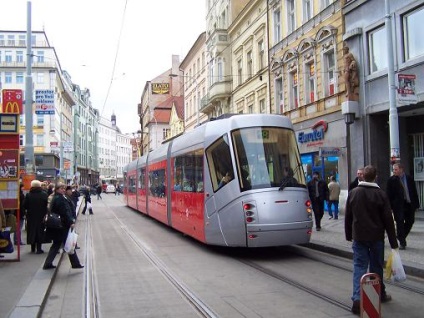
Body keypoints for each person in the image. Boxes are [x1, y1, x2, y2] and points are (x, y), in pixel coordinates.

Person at [345, 165, 398, 315]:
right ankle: (378, 295)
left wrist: (349, 234)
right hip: (376, 237)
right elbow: (388, 219)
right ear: (375, 177)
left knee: (359, 267)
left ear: (362, 176)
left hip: (359, 237)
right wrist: (394, 242)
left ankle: (357, 299)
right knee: (376, 268)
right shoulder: (381, 194)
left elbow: (348, 217)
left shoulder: (354, 193)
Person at [43, 183, 84, 270]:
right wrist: (71, 221)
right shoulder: (59, 199)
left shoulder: (58, 197)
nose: (63, 190)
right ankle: (75, 263)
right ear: (57, 189)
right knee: (69, 244)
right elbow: (65, 211)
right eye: (61, 188)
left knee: (58, 244)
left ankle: (48, 263)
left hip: (59, 225)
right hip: (62, 225)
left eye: (64, 188)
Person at [386, 163, 419, 250]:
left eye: (396, 169)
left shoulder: (409, 178)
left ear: (401, 169)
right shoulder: (391, 180)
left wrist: (416, 204)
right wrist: (390, 207)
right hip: (398, 205)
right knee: (399, 222)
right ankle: (402, 242)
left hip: (409, 204)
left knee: (410, 221)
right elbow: (388, 195)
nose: (394, 171)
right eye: (393, 170)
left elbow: (414, 192)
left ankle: (401, 235)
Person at [24, 180, 49, 254]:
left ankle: (32, 248)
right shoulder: (44, 194)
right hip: (41, 215)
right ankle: (39, 249)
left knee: (31, 231)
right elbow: (46, 205)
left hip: (31, 216)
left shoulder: (28, 195)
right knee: (40, 231)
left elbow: (25, 205)